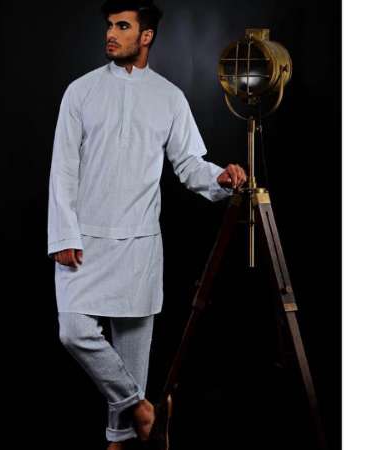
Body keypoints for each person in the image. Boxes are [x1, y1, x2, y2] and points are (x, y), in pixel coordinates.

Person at [47, 1, 247, 448]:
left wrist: (220, 177)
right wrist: (63, 234)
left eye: (123, 26)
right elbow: (63, 169)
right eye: (110, 26)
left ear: (146, 36)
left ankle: (120, 440)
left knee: (132, 362)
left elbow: (189, 163)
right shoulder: (80, 92)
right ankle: (143, 409)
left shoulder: (169, 97)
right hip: (84, 243)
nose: (111, 34)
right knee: (74, 331)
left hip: (139, 246)